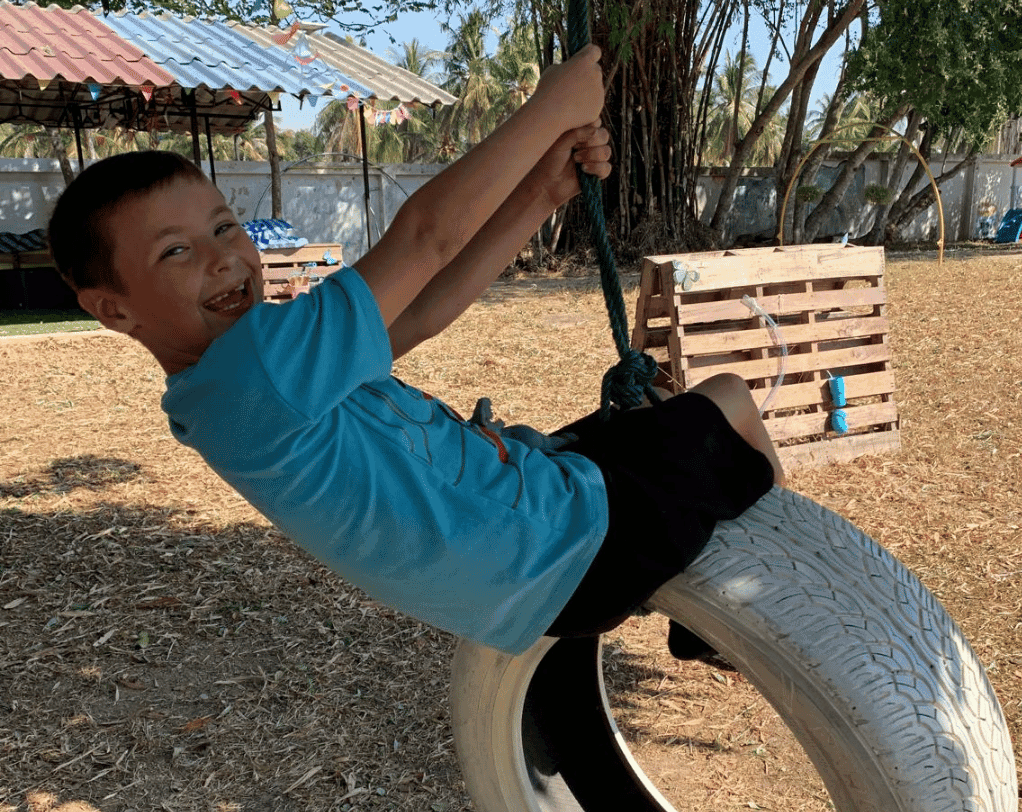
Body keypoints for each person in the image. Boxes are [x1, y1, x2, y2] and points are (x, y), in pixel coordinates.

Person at [47, 46, 783, 657]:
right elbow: (426, 237)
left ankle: (700, 596)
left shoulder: (239, 391)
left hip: (541, 552)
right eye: (176, 251)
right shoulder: (260, 368)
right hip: (573, 551)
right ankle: (739, 629)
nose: (224, 259)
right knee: (728, 399)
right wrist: (551, 110)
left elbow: (425, 311)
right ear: (113, 309)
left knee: (652, 419)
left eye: (225, 226)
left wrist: (541, 195)